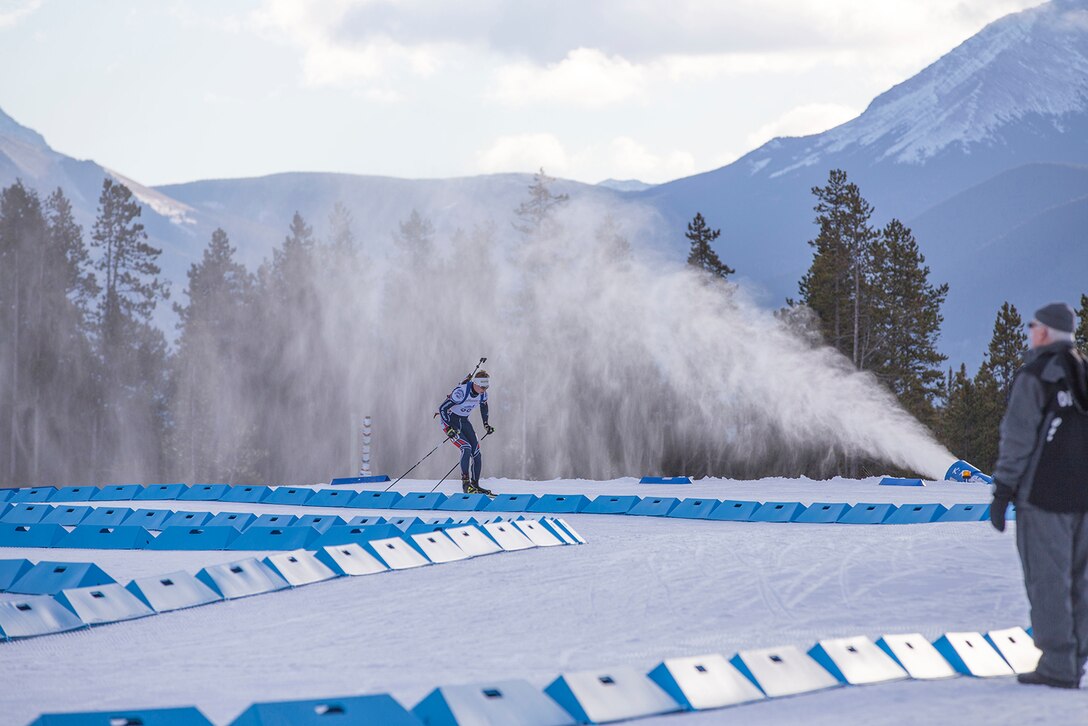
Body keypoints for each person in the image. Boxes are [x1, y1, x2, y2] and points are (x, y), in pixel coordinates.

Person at [990, 302, 1088, 689]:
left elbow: (1017, 439)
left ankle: (1058, 665)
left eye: (1033, 326)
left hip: (1044, 498)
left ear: (1044, 332)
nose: (1030, 332)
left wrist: (1003, 490)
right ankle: (1076, 657)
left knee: (1047, 581)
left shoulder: (1036, 375)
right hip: (1084, 499)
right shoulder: (1083, 372)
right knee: (1080, 580)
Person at [438, 369, 496, 495]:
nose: (484, 390)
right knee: (466, 448)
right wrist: (448, 429)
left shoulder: (482, 394)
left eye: (486, 387)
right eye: (482, 387)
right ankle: (466, 485)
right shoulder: (461, 392)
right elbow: (442, 408)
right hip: (450, 421)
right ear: (475, 383)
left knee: (476, 453)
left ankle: (475, 485)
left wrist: (486, 424)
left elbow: (484, 406)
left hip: (464, 421)